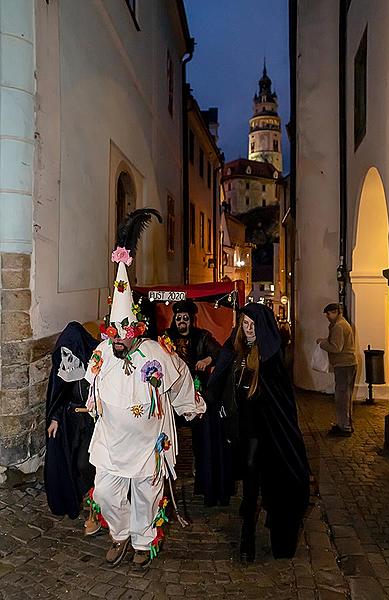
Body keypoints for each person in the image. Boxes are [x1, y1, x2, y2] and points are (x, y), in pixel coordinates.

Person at [86, 210, 206, 569]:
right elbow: (91, 381)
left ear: (135, 328)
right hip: (111, 441)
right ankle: (119, 533)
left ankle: (142, 540)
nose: (117, 340)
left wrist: (189, 406)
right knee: (106, 493)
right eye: (113, 333)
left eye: (123, 334)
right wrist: (93, 406)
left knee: (145, 495)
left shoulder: (154, 351)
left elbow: (181, 377)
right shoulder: (103, 350)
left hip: (146, 443)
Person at [207, 303, 310, 562]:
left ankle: (247, 536)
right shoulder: (234, 351)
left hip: (266, 429)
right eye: (245, 324)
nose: (249, 329)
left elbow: (281, 401)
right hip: (240, 426)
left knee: (254, 473)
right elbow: (219, 382)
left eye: (253, 325)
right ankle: (249, 514)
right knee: (247, 471)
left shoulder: (270, 358)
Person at [166, 300, 221, 505]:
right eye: (179, 319)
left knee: (203, 432)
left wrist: (208, 360)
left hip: (195, 395)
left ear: (191, 320)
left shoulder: (202, 337)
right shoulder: (166, 337)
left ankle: (204, 476)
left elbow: (220, 353)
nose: (182, 323)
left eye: (185, 319)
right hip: (171, 396)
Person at [44, 322, 98, 523]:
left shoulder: (95, 361)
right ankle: (77, 498)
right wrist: (55, 418)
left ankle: (96, 500)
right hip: (71, 419)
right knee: (71, 461)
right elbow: (59, 393)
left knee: (85, 462)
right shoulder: (64, 363)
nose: (68, 360)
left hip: (92, 421)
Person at [317, 303, 357, 437]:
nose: (327, 317)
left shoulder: (339, 326)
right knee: (346, 395)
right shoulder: (341, 324)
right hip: (348, 364)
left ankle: (344, 427)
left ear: (336, 312)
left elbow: (336, 347)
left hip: (344, 365)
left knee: (342, 397)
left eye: (329, 314)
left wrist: (321, 343)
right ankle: (346, 424)